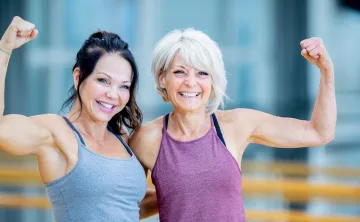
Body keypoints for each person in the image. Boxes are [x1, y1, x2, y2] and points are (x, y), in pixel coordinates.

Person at [129, 28, 336, 221]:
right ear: (162, 78)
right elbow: (127, 205)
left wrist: (326, 71)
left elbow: (319, 132)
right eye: (179, 72)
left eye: (202, 73)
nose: (191, 82)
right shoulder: (146, 140)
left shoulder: (236, 125)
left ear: (212, 81)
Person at [0, 16, 157, 221]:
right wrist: (5, 48)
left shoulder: (120, 136)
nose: (113, 94)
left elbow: (127, 207)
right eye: (103, 80)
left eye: (124, 86)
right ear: (78, 77)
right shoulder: (56, 131)